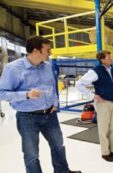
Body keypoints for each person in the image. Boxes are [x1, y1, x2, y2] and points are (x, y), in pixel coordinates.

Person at [0, 35, 81, 173]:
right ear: (36, 51)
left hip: (50, 114)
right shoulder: (13, 69)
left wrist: (55, 103)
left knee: (58, 147)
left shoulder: (47, 66)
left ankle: (62, 171)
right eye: (48, 50)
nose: (51, 53)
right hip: (27, 118)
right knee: (31, 154)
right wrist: (26, 94)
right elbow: (2, 93)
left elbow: (52, 87)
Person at [76, 50, 113, 162]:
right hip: (103, 103)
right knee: (103, 129)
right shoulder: (95, 71)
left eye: (111, 56)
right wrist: (92, 96)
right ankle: (105, 152)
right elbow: (79, 84)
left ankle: (112, 150)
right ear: (102, 60)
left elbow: (112, 82)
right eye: (109, 57)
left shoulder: (112, 69)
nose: (111, 58)